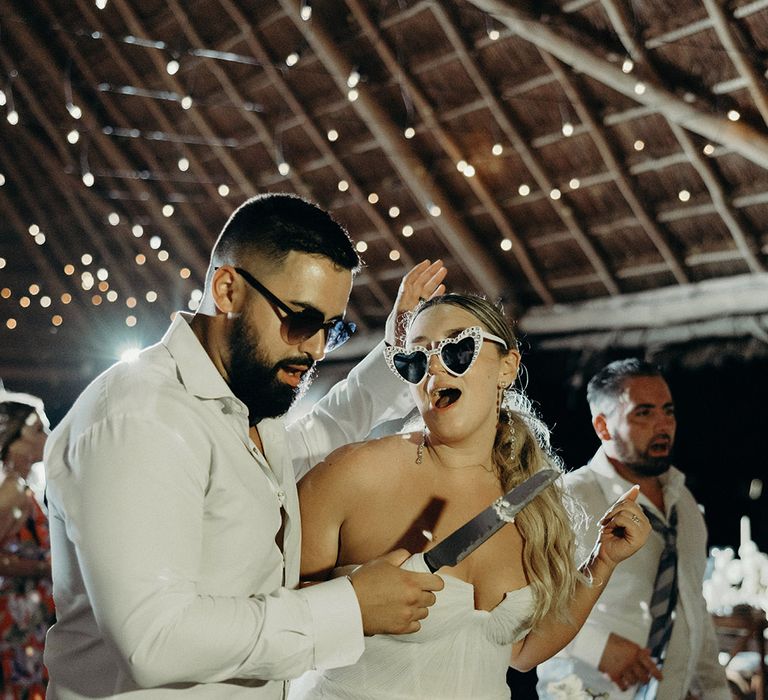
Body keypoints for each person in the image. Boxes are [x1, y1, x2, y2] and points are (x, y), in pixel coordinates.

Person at [43, 193, 447, 699]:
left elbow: (321, 433)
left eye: (332, 328)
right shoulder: (139, 415)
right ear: (228, 289)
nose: (318, 349)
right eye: (301, 320)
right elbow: (154, 639)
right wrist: (348, 609)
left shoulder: (241, 404)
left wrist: (393, 355)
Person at [293, 294, 651, 699]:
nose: (433, 367)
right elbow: (269, 614)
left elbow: (520, 652)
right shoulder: (354, 474)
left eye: (458, 347)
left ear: (507, 367)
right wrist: (352, 602)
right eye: (415, 358)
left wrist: (602, 563)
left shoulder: (533, 499)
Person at [537, 358, 730, 700]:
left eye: (668, 411)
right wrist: (598, 648)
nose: (662, 424)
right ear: (603, 427)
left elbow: (693, 605)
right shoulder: (566, 499)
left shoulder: (683, 501)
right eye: (643, 413)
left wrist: (715, 690)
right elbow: (523, 604)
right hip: (585, 690)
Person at [0, 390, 54, 698]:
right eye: (38, 430)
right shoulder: (12, 491)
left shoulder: (21, 487)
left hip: (29, 620)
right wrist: (44, 568)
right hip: (16, 623)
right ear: (14, 439)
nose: (47, 436)